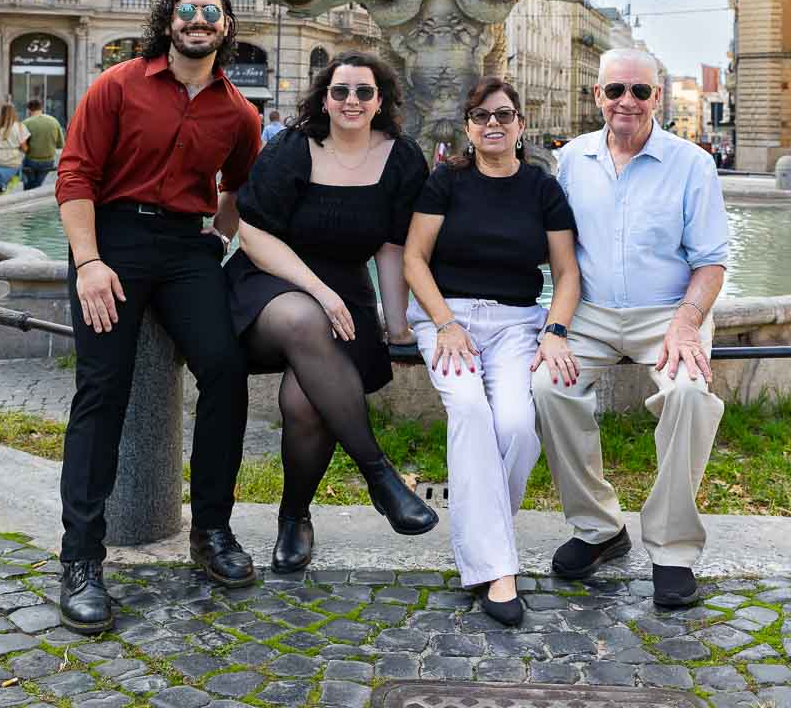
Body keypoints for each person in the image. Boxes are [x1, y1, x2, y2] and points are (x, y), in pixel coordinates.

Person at [56, 0, 261, 634]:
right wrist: (88, 263)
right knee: (101, 388)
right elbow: (76, 175)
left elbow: (239, 189)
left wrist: (219, 242)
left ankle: (212, 532)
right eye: (188, 9)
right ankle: (82, 559)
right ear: (170, 20)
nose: (198, 20)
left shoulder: (240, 113)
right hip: (110, 238)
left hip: (184, 249)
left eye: (212, 12)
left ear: (225, 27)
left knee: (227, 372)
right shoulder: (118, 84)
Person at [226, 50, 438, 573]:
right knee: (303, 319)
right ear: (325, 98)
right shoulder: (296, 148)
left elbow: (392, 246)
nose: (351, 101)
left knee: (304, 403)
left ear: (380, 101)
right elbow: (251, 232)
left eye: (363, 92)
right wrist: (319, 291)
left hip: (347, 295)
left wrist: (396, 323)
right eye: (340, 91)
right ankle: (380, 476)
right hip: (271, 281)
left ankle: (294, 516)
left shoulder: (403, 157)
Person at [532, 48, 729, 610]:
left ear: (657, 99)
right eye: (616, 90)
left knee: (690, 394)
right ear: (598, 96)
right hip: (590, 311)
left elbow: (711, 260)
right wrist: (553, 324)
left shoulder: (692, 163)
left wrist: (689, 321)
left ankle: (671, 550)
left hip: (669, 312)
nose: (627, 102)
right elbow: (555, 252)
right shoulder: (571, 161)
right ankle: (599, 528)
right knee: (548, 387)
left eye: (640, 92)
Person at [403, 75, 580, 626]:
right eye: (482, 117)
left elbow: (567, 273)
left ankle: (478, 523)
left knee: (518, 427)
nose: (493, 125)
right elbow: (414, 259)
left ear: (521, 126)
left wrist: (554, 332)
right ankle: (496, 571)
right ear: (469, 129)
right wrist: (446, 322)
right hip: (447, 317)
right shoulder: (445, 182)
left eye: (504, 115)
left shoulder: (542, 189)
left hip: (516, 324)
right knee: (472, 411)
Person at [22, 98, 64, 190]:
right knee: (37, 183)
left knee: (28, 181)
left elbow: (22, 146)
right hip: (48, 161)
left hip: (31, 160)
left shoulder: (26, 123)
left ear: (29, 110)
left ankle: (29, 192)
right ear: (42, 108)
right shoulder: (54, 121)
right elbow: (61, 144)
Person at [0, 103, 29, 194]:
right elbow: (25, 148)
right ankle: (6, 188)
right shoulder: (20, 127)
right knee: (21, 171)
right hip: (12, 161)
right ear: (14, 113)